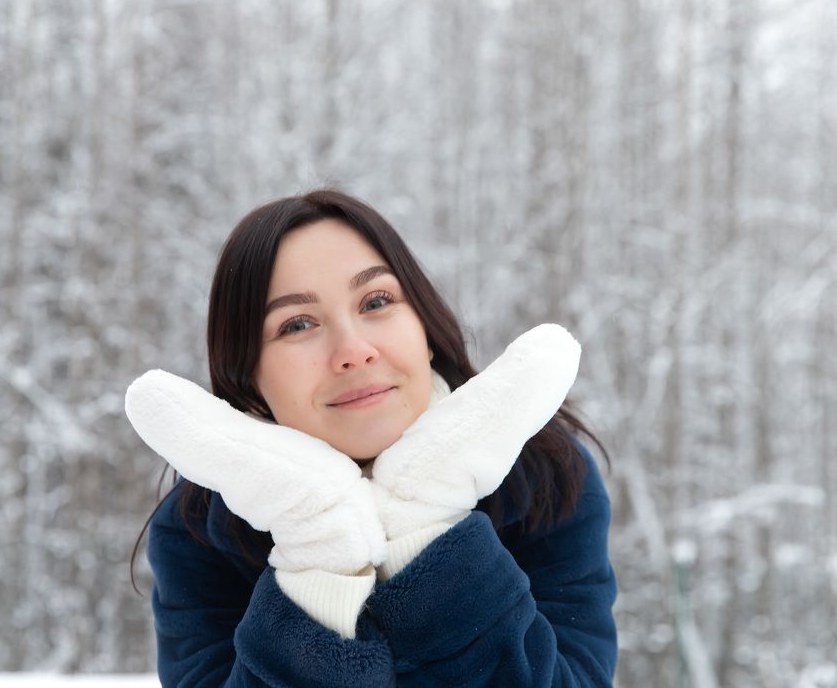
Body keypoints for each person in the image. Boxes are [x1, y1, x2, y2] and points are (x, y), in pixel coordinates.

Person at [126, 189, 618, 687]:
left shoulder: (545, 476)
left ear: (423, 329)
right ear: (248, 377)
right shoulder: (197, 528)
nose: (353, 350)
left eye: (376, 301)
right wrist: (317, 552)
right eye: (297, 324)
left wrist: (426, 525)